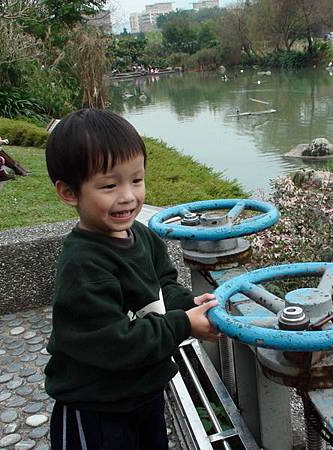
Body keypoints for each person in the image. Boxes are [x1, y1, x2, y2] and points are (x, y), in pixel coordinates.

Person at [44, 108, 220, 450]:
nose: (128, 196)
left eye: (136, 180)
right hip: (95, 406)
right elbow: (115, 343)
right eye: (109, 185)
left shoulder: (141, 236)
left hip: (143, 392)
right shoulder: (83, 264)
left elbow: (163, 287)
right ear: (69, 193)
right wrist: (182, 325)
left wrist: (190, 304)